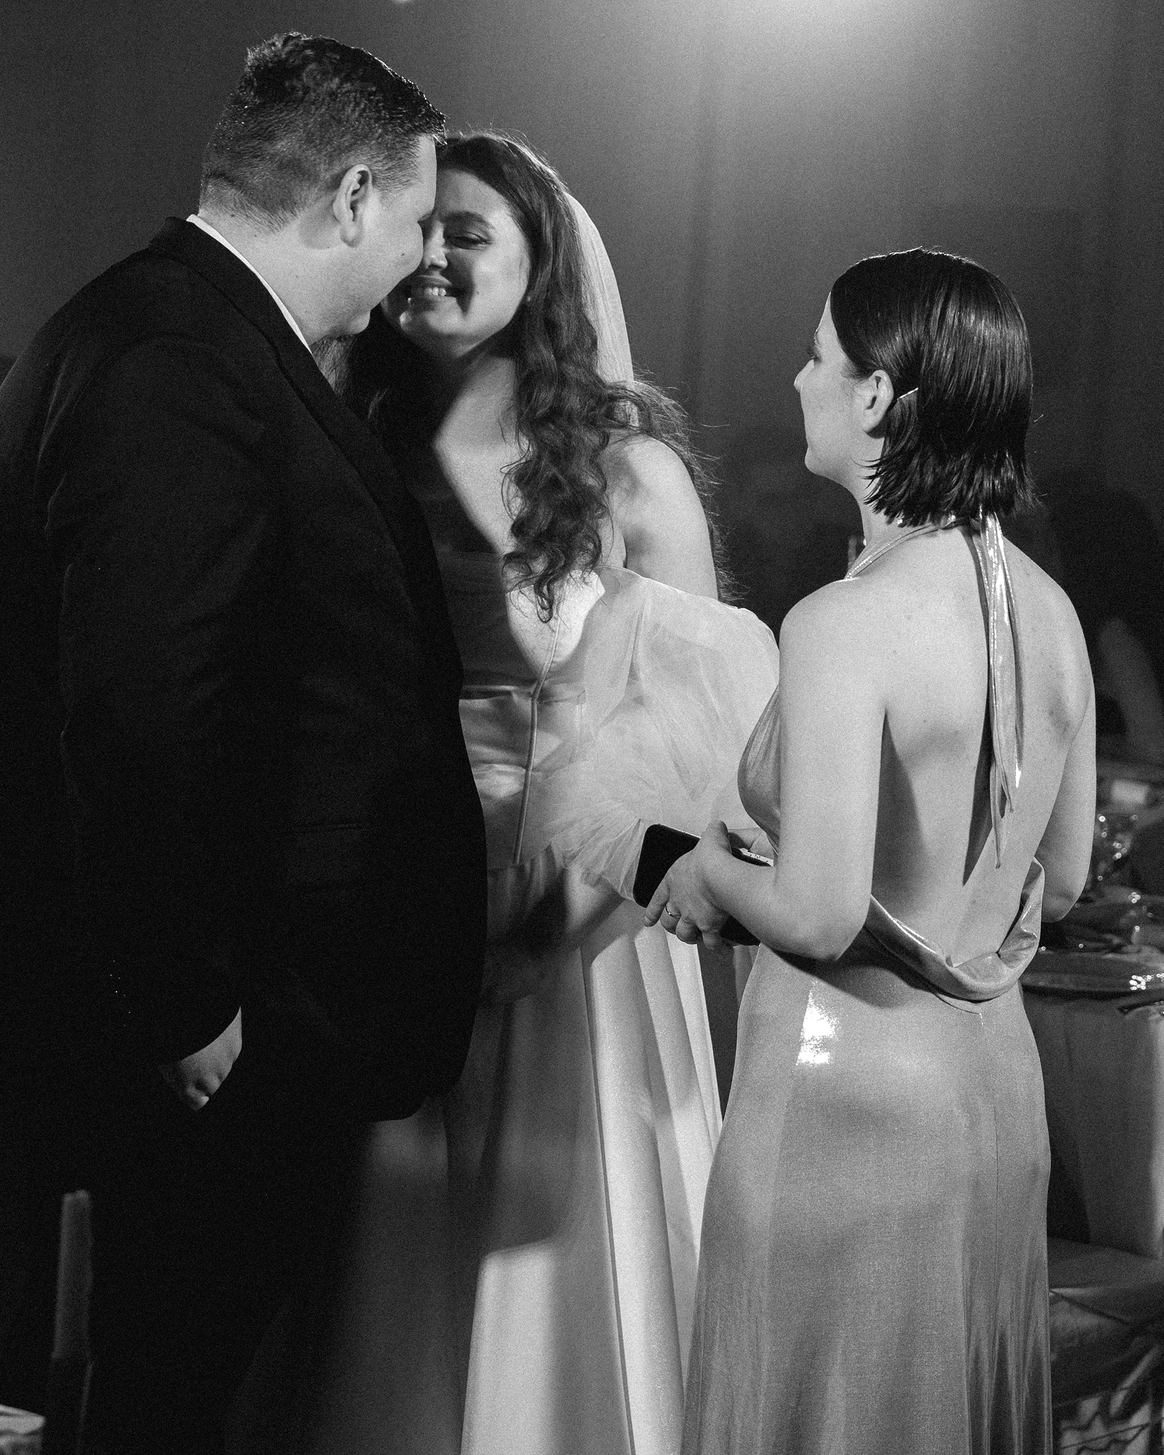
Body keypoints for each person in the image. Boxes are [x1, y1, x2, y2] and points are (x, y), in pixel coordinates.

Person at [0, 34, 486, 1455]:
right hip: (212, 1023)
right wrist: (186, 1001)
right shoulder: (177, 359)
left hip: (237, 998)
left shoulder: (178, 329)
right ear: (351, 197)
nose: (420, 258)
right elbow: (143, 705)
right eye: (415, 217)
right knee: (163, 1392)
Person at [276, 134, 777, 1455]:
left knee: (560, 1246)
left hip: (580, 895)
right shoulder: (349, 433)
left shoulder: (624, 467)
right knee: (390, 1259)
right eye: (421, 228)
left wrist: (557, 928)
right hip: (393, 878)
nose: (434, 255)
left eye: (471, 231)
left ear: (540, 259)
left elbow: (701, 734)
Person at [647, 249, 1095, 1454]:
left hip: (844, 1108)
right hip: (995, 1094)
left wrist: (704, 871)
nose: (798, 381)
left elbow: (821, 913)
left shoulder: (845, 621)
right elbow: (1061, 882)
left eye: (817, 358)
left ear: (880, 396)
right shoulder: (1051, 610)